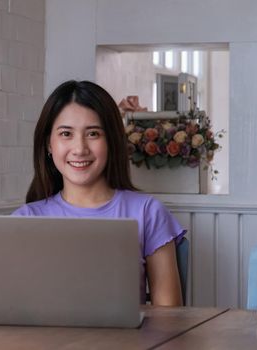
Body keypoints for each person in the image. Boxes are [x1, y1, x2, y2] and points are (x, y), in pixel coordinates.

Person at [13, 80, 185, 306]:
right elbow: (14, 307)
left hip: (127, 341)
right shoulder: (25, 220)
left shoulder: (147, 212)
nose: (80, 149)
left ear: (111, 141)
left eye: (93, 134)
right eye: (66, 134)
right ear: (48, 144)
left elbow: (169, 318)